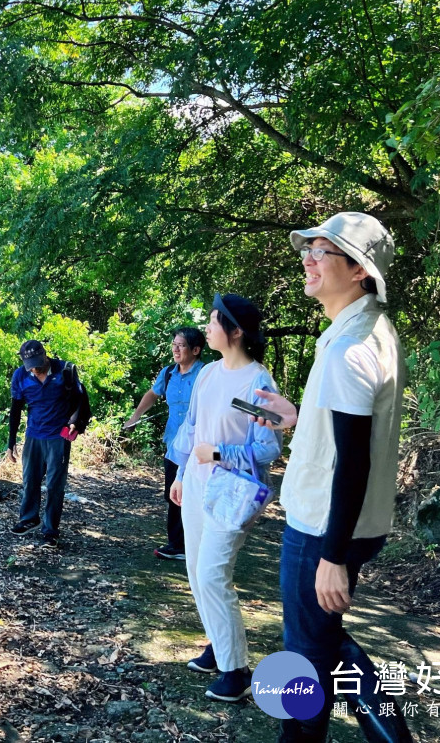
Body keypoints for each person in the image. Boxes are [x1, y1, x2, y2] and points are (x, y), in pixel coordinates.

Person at [253, 212, 413, 743]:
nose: (308, 259)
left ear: (360, 269)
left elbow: (355, 461)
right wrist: (296, 415)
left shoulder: (351, 348)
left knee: (306, 658)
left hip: (323, 528)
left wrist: (332, 557)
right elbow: (351, 432)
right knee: (321, 641)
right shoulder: (364, 331)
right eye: (310, 249)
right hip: (340, 523)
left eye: (323, 252)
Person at [168, 295, 283, 702]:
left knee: (215, 574)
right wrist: (182, 473)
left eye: (215, 321)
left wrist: (218, 453)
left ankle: (237, 671)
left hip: (232, 492)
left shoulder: (257, 382)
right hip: (197, 486)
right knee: (198, 572)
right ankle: (219, 646)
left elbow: (269, 448)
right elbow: (193, 428)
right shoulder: (208, 375)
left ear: (235, 331)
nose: (208, 327)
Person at [123, 326, 205, 560]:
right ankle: (178, 545)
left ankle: (195, 545)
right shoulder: (168, 373)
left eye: (182, 345)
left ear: (196, 350)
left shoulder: (206, 374)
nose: (176, 349)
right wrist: (135, 416)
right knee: (175, 494)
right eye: (174, 345)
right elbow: (152, 394)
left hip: (199, 446)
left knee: (197, 494)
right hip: (174, 445)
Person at [7, 339, 87, 547]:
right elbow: (15, 409)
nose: (34, 369)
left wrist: (75, 423)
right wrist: (11, 442)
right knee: (30, 479)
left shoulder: (65, 370)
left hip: (57, 437)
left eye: (36, 363)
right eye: (29, 365)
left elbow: (80, 399)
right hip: (34, 434)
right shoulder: (20, 375)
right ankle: (28, 519)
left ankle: (50, 529)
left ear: (45, 355)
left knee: (54, 485)